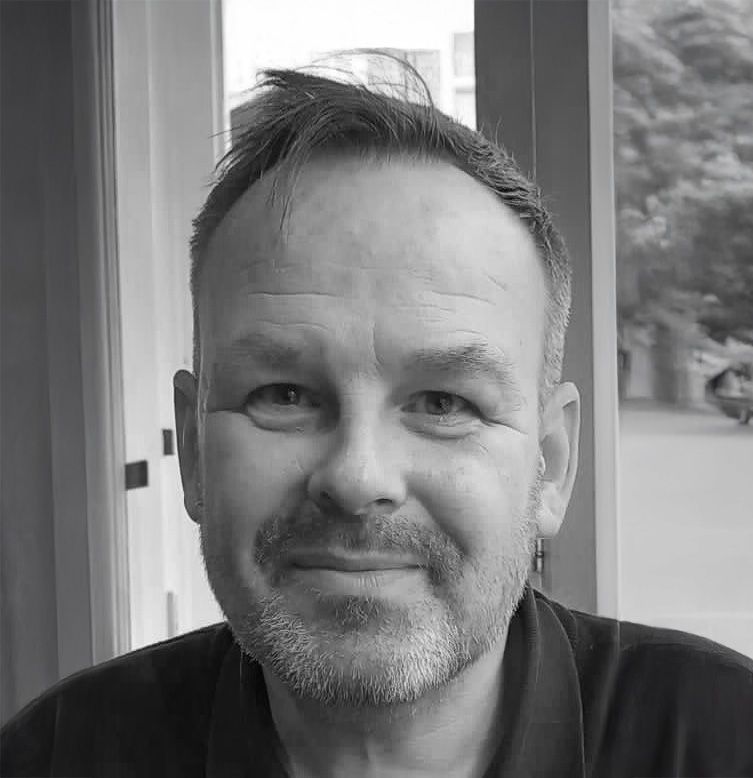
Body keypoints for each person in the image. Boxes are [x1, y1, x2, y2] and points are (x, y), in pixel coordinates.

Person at [2, 54, 752, 778]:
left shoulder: (727, 743)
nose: (357, 478)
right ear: (194, 449)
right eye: (283, 395)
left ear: (549, 465)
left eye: (442, 403)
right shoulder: (55, 754)